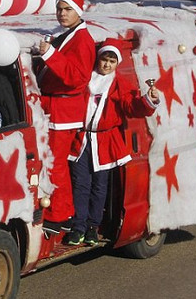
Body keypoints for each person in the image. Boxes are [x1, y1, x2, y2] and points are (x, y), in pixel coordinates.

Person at [64, 41, 159, 246]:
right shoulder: (85, 78)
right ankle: (78, 226)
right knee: (80, 185)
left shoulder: (119, 84)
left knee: (99, 187)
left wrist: (149, 100)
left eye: (111, 61)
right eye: (104, 60)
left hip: (105, 141)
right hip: (80, 140)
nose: (106, 65)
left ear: (117, 63)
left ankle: (92, 227)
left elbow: (131, 106)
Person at [37, 0, 96, 233]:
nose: (62, 14)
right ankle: (58, 210)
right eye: (59, 9)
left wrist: (49, 54)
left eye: (67, 9)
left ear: (78, 12)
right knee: (52, 163)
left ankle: (59, 214)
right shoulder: (67, 35)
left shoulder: (83, 40)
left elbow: (77, 78)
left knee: (56, 164)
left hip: (64, 111)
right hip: (55, 108)